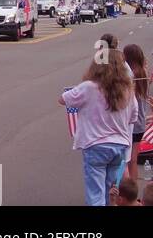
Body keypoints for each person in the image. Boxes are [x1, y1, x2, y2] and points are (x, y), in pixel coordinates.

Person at [59, 48, 138, 206]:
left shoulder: (89, 87)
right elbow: (133, 117)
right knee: (111, 191)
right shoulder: (128, 90)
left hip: (95, 145)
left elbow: (63, 99)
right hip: (119, 146)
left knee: (95, 193)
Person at [122, 44, 151, 182]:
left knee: (124, 161)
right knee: (133, 160)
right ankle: (132, 194)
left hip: (130, 123)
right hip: (140, 123)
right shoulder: (144, 74)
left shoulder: (129, 77)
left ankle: (125, 190)